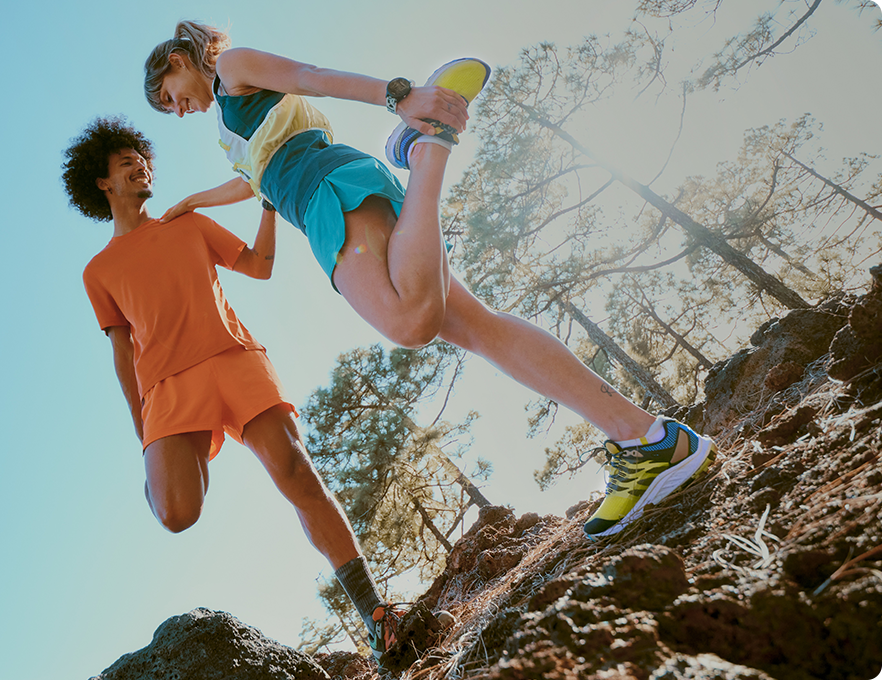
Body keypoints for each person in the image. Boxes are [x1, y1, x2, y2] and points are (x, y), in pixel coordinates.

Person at [142, 22, 716, 542]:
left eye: (170, 96)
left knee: (409, 321)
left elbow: (308, 77)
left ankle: (429, 144)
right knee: (479, 329)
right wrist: (192, 202)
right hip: (329, 195)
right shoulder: (228, 123)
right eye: (169, 111)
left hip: (330, 192)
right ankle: (652, 440)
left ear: (177, 60)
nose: (179, 108)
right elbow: (253, 181)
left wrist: (400, 98)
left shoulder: (234, 67)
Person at [61, 116, 404, 663]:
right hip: (168, 391)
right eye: (126, 162)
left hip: (233, 359)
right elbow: (122, 355)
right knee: (176, 514)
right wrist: (142, 429)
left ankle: (377, 615)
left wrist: (267, 203)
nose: (140, 166)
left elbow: (260, 266)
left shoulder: (188, 224)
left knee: (297, 475)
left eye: (142, 159)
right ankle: (159, 470)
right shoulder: (98, 271)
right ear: (102, 182)